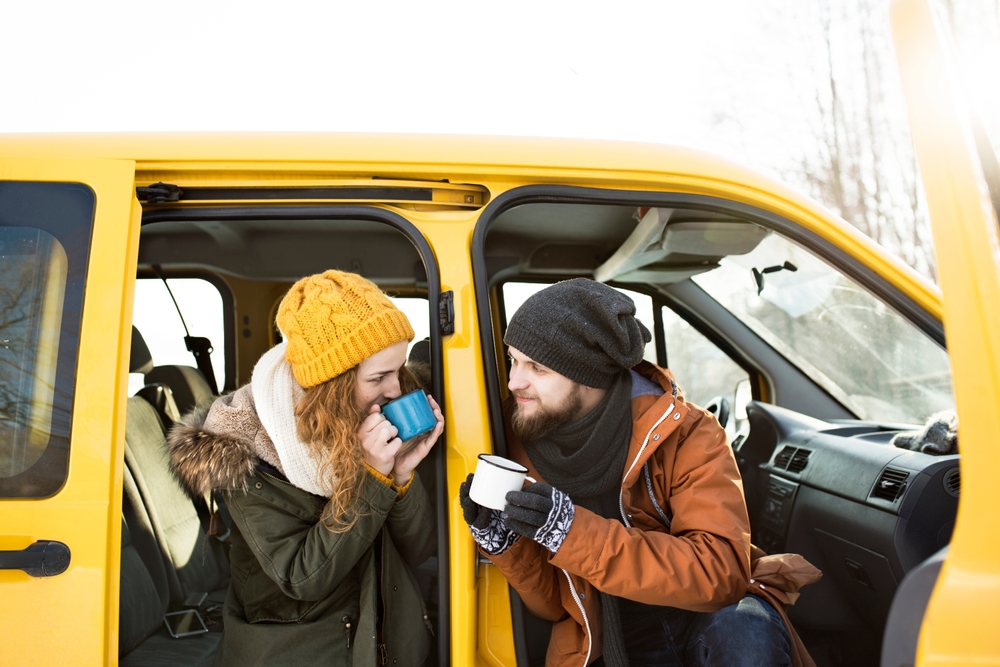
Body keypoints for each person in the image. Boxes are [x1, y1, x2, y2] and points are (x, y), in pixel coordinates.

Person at [460, 279, 816, 667]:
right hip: (601, 637)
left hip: (703, 618)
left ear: (589, 375)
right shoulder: (518, 439)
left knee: (746, 631)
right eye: (513, 359)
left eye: (537, 367)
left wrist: (572, 532)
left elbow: (721, 573)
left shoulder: (687, 432)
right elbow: (556, 607)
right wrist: (506, 545)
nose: (514, 382)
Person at [169, 270, 442, 667]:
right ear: (333, 382)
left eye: (397, 370)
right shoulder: (249, 453)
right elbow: (303, 578)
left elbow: (417, 551)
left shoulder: (368, 421)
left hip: (382, 643)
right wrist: (370, 480)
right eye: (379, 376)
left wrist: (399, 477)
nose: (396, 390)